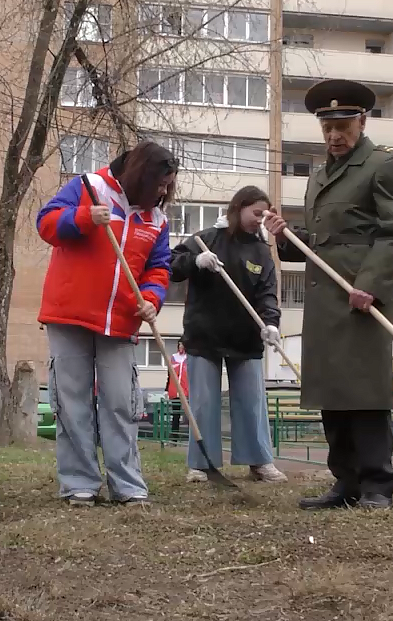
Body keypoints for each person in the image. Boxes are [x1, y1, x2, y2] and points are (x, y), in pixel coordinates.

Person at [262, 78, 393, 511]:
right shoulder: (320, 175)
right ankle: (344, 482)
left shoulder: (383, 165)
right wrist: (288, 237)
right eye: (327, 127)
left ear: (362, 121)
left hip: (361, 298)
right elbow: (322, 244)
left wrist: (370, 283)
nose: (334, 135)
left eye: (343, 125)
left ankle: (376, 485)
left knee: (364, 392)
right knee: (332, 392)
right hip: (324, 298)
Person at [36, 140, 176, 507]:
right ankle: (79, 482)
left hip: (121, 320)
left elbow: (159, 268)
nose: (163, 192)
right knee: (72, 401)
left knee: (119, 402)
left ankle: (127, 484)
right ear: (141, 176)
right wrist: (82, 218)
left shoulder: (156, 220)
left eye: (168, 185)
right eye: (160, 183)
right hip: (70, 312)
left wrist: (151, 299)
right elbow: (46, 224)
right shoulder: (87, 188)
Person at [171, 186, 288, 485]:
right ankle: (202, 465)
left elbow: (267, 294)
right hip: (204, 335)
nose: (259, 220)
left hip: (245, 338)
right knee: (204, 402)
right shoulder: (206, 239)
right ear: (238, 208)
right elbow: (171, 265)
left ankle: (259, 462)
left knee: (251, 401)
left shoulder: (262, 251)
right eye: (256, 213)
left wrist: (271, 323)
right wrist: (196, 262)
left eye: (265, 215)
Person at [166, 341, 188, 441]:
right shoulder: (174, 357)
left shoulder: (189, 358)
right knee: (176, 414)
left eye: (182, 345)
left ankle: (192, 438)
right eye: (179, 345)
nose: (181, 347)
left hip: (187, 391)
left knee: (190, 414)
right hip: (175, 391)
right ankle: (174, 438)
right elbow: (169, 374)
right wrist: (167, 389)